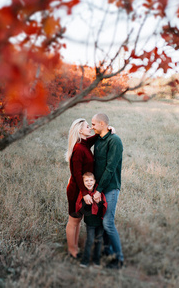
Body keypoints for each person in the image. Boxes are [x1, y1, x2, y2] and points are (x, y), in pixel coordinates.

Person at [91, 113, 124, 269]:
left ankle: (119, 259)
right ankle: (107, 250)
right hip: (99, 187)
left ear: (102, 123)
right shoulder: (99, 139)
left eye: (94, 124)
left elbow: (110, 168)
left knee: (108, 223)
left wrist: (99, 190)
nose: (92, 127)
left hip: (110, 187)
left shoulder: (115, 141)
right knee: (102, 220)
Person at [65, 118, 99, 259]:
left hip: (82, 189)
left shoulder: (83, 143)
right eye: (87, 126)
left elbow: (92, 140)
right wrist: (84, 193)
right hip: (76, 190)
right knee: (73, 220)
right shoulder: (79, 149)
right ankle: (72, 250)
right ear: (80, 130)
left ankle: (75, 246)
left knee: (78, 219)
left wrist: (107, 130)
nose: (90, 128)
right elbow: (76, 174)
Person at [75, 172, 106, 268]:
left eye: (91, 180)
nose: (89, 183)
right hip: (90, 222)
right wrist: (87, 202)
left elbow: (104, 206)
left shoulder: (98, 192)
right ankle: (85, 260)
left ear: (95, 181)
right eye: (86, 181)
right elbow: (81, 209)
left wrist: (99, 202)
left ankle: (96, 260)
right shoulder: (83, 194)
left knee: (99, 240)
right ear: (83, 182)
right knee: (90, 240)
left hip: (100, 221)